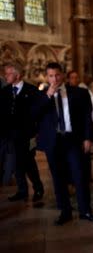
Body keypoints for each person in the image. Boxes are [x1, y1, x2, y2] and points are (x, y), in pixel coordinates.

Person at [33, 62, 93, 225]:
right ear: (46, 77)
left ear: (62, 75)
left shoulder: (80, 93)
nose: (54, 78)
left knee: (80, 176)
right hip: (53, 142)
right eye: (50, 76)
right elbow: (33, 114)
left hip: (73, 141)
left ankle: (85, 211)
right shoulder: (40, 96)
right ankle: (65, 211)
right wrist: (48, 95)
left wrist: (87, 138)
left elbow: (86, 117)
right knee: (58, 178)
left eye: (57, 75)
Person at [1, 62, 44, 202]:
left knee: (28, 162)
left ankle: (38, 188)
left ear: (17, 75)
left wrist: (36, 132)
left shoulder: (32, 91)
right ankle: (22, 190)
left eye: (8, 73)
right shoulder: (5, 91)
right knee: (15, 163)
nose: (5, 76)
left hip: (27, 135)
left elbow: (38, 113)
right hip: (10, 135)